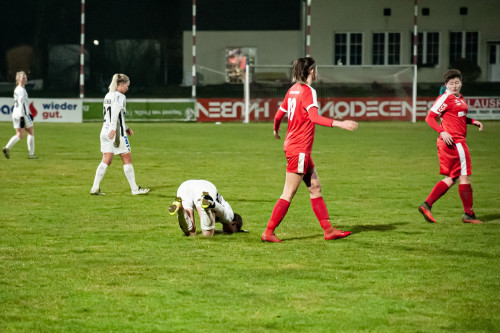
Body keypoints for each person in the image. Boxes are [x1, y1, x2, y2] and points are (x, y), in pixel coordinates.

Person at [261, 57, 358, 243]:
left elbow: (279, 114)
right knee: (288, 192)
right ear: (312, 71)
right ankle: (269, 231)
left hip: (296, 147)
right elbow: (314, 117)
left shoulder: (292, 90)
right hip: (299, 149)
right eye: (316, 69)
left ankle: (328, 230)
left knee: (315, 187)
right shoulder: (307, 91)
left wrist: (275, 128)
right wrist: (340, 123)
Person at [418, 69, 483, 224]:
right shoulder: (445, 98)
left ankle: (427, 205)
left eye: (457, 82)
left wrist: (473, 121)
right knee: (464, 176)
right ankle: (469, 215)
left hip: (456, 141)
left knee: (453, 177)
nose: (454, 86)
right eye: (451, 83)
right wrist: (443, 132)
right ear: (446, 85)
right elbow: (430, 118)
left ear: (461, 83)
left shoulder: (459, 98)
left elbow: (458, 116)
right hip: (455, 142)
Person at [90, 74, 150, 195]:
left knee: (106, 160)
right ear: (121, 84)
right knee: (127, 159)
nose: (128, 88)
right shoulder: (120, 96)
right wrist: (114, 129)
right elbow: (116, 112)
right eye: (127, 86)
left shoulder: (108, 95)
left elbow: (114, 115)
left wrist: (126, 127)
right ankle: (135, 189)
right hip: (116, 133)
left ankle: (95, 188)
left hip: (104, 131)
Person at [169, 179, 244, 237]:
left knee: (191, 232)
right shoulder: (230, 215)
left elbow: (221, 230)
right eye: (234, 230)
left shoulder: (223, 212)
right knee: (207, 234)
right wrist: (212, 205)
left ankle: (180, 209)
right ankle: (207, 203)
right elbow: (226, 220)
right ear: (234, 224)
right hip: (205, 189)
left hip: (185, 187)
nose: (230, 232)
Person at [2, 71, 37, 159]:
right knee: (30, 131)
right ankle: (31, 154)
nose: (25, 79)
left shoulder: (16, 89)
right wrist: (23, 116)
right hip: (22, 114)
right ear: (18, 79)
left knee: (20, 134)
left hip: (15, 114)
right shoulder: (21, 90)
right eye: (23, 78)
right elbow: (21, 103)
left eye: (25, 78)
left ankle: (7, 148)